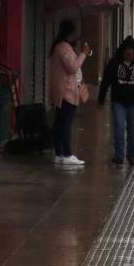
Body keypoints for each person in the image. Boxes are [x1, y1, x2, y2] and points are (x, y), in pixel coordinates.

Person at [98, 36, 134, 166]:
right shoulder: (114, 63)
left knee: (133, 130)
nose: (129, 57)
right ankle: (119, 155)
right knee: (119, 127)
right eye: (127, 54)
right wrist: (101, 97)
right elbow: (106, 81)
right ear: (123, 53)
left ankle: (131, 156)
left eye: (131, 54)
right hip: (118, 101)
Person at [47, 20, 91, 166]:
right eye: (75, 33)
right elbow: (72, 67)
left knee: (60, 122)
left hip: (62, 90)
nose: (77, 36)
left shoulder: (59, 47)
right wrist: (83, 54)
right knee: (65, 123)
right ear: (69, 33)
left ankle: (59, 153)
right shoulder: (63, 48)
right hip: (66, 92)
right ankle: (66, 154)